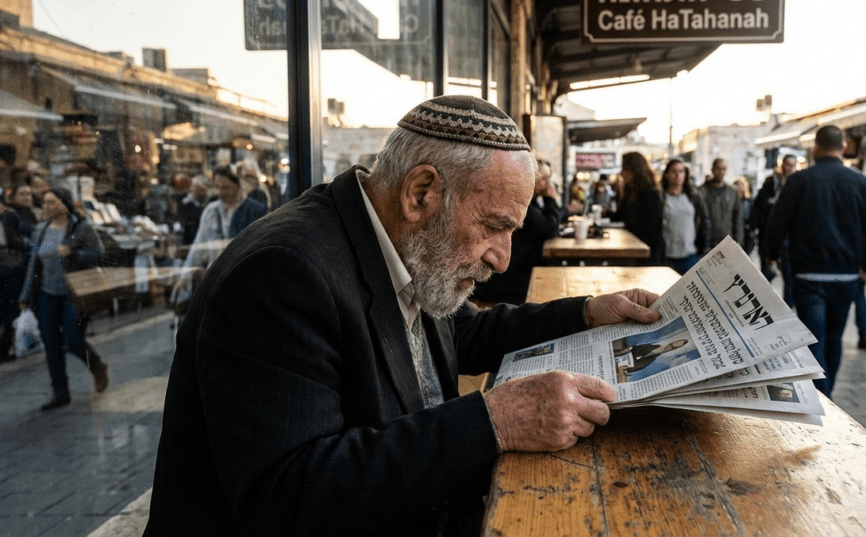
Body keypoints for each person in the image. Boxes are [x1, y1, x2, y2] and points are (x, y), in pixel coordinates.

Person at [144, 96, 662, 537]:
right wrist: (496, 420)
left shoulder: (398, 243)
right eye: (493, 226)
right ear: (422, 193)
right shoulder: (283, 272)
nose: (502, 257)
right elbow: (289, 497)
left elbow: (465, 331)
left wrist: (588, 312)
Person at [763, 125, 866, 397]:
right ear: (844, 147)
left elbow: (776, 224)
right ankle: (828, 392)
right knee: (834, 338)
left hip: (809, 276)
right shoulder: (861, 182)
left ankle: (823, 398)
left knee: (815, 338)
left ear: (816, 149)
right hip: (845, 277)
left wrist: (771, 255)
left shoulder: (799, 181)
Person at [18, 188, 108, 410]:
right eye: (44, 203)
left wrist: (74, 254)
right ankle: (60, 392)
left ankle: (95, 364)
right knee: (51, 344)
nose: (46, 207)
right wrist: (26, 296)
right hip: (47, 296)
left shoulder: (80, 228)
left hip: (73, 295)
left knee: (73, 339)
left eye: (51, 202)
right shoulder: (41, 230)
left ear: (64, 205)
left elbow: (99, 254)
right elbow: (33, 265)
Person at [472, 158, 563, 305]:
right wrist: (551, 199)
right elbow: (549, 228)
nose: (547, 184)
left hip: (515, 272)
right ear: (532, 180)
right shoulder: (522, 207)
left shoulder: (531, 203)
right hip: (507, 280)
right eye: (544, 179)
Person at [173, 166, 266, 294]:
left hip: (244, 282)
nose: (220, 192)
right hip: (216, 281)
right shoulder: (211, 210)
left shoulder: (256, 210)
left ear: (238, 185)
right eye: (217, 187)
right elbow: (199, 245)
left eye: (225, 188)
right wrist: (185, 276)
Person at [750, 154, 797, 305]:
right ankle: (762, 305)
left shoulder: (798, 184)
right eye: (787, 165)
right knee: (766, 275)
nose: (789, 168)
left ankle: (788, 309)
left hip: (789, 239)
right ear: (782, 165)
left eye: (792, 165)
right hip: (769, 236)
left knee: (789, 277)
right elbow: (759, 208)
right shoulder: (771, 183)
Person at [612, 152, 665, 265]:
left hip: (646, 256)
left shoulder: (650, 194)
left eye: (624, 168)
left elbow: (649, 229)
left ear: (634, 171)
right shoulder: (630, 193)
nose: (621, 173)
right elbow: (619, 216)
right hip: (630, 251)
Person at [660, 159, 709, 274]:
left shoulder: (693, 195)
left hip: (690, 254)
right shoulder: (661, 197)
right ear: (667, 174)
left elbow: (705, 221)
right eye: (673, 171)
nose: (678, 175)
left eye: (681, 171)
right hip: (668, 255)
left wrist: (705, 246)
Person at [0, 188, 28, 363]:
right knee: (9, 310)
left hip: (6, 268)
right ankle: (4, 350)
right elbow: (14, 240)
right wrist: (30, 244)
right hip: (9, 269)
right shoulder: (9, 215)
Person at [698, 158, 743, 248]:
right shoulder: (702, 191)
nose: (721, 172)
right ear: (712, 170)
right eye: (718, 169)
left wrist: (739, 242)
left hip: (728, 241)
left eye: (723, 169)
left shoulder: (732, 192)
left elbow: (738, 218)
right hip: (707, 242)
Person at [175, 174, 210, 247]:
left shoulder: (211, 202)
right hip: (190, 240)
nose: (199, 191)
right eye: (196, 188)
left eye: (202, 189)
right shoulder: (186, 204)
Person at [732, 176, 755, 254]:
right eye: (736, 185)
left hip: (746, 231)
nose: (738, 187)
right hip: (734, 231)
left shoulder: (749, 201)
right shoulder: (731, 201)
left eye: (740, 184)